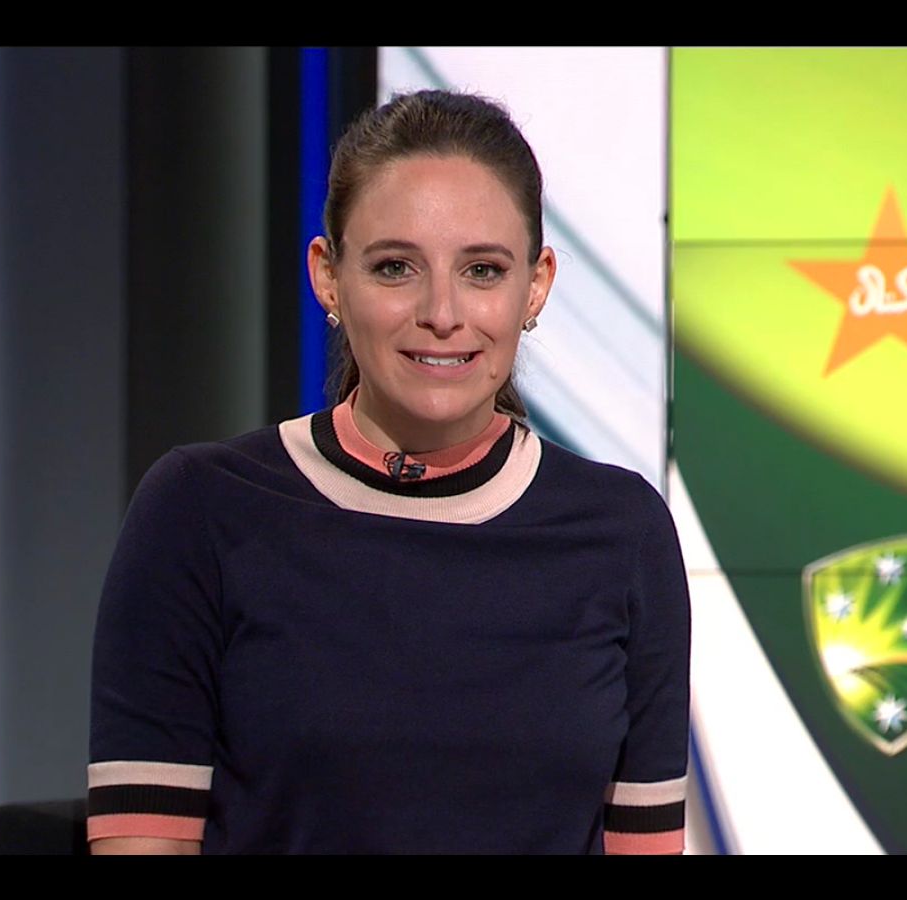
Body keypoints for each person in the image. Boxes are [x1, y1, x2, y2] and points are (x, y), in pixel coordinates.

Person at [86, 89, 691, 854]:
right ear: (328, 277)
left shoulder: (622, 532)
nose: (442, 313)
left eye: (482, 270)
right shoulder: (200, 510)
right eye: (396, 267)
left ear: (535, 286)